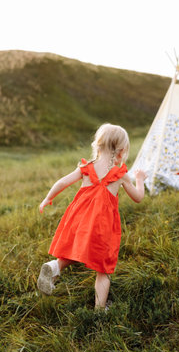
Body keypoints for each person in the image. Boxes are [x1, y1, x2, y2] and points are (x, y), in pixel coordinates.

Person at [38, 123, 147, 310]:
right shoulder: (120, 175)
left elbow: (63, 182)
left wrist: (47, 198)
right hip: (102, 226)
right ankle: (99, 310)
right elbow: (138, 198)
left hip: (78, 219)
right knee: (102, 269)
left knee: (73, 249)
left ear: (97, 145)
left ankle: (55, 267)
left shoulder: (86, 167)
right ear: (121, 152)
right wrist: (139, 180)